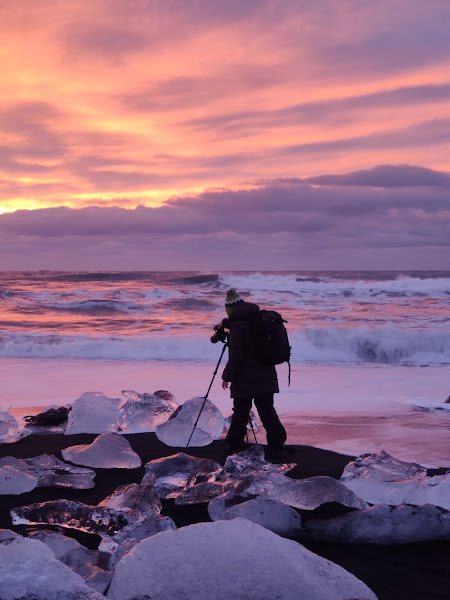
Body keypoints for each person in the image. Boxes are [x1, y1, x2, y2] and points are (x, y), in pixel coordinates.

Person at [220, 289, 287, 458]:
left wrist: (226, 377)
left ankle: (234, 444)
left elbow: (236, 355)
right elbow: (243, 327)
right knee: (267, 410)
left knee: (241, 411)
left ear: (230, 310)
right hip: (266, 374)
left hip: (245, 378)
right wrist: (225, 324)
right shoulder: (256, 318)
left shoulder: (237, 327)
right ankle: (276, 444)